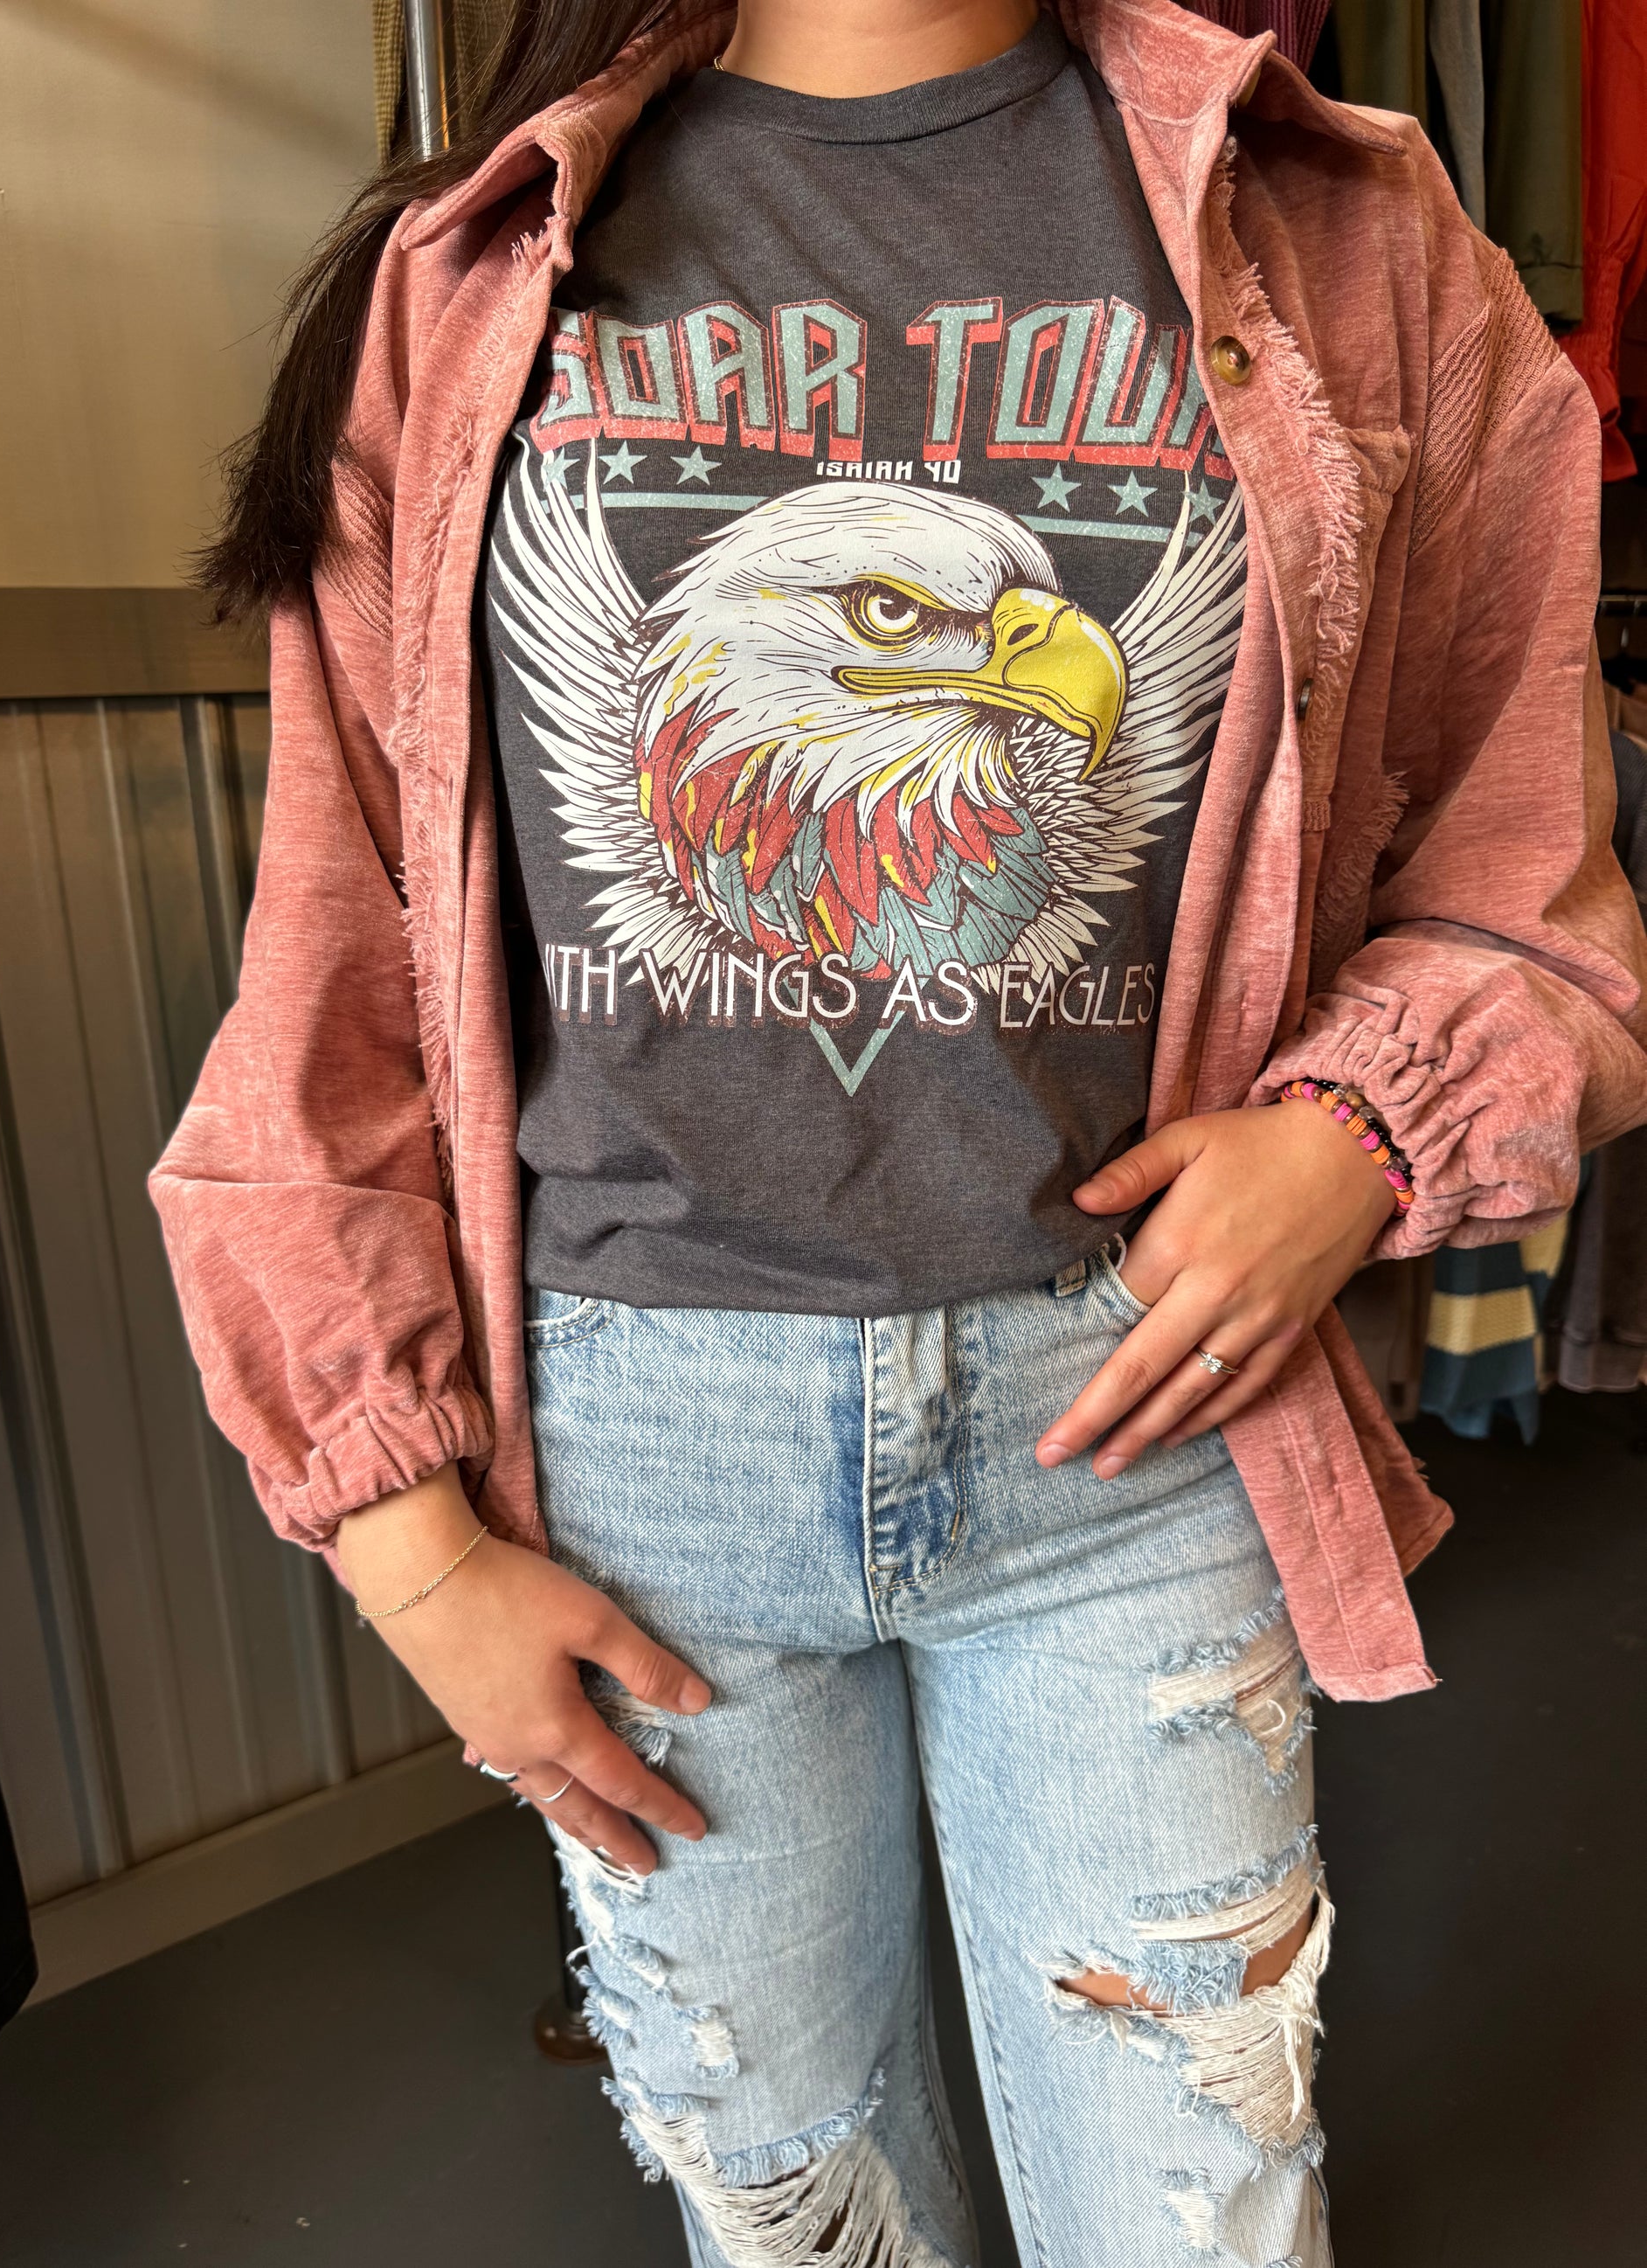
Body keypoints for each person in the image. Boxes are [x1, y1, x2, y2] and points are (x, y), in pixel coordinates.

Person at [154, 2, 1647, 2261]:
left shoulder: (1342, 224)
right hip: (640, 1451)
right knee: (795, 2208)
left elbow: (1525, 873)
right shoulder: (468, 271)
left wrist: (1364, 1125)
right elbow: (332, 957)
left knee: (1198, 2208)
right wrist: (408, 1546)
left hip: (1139, 1412)